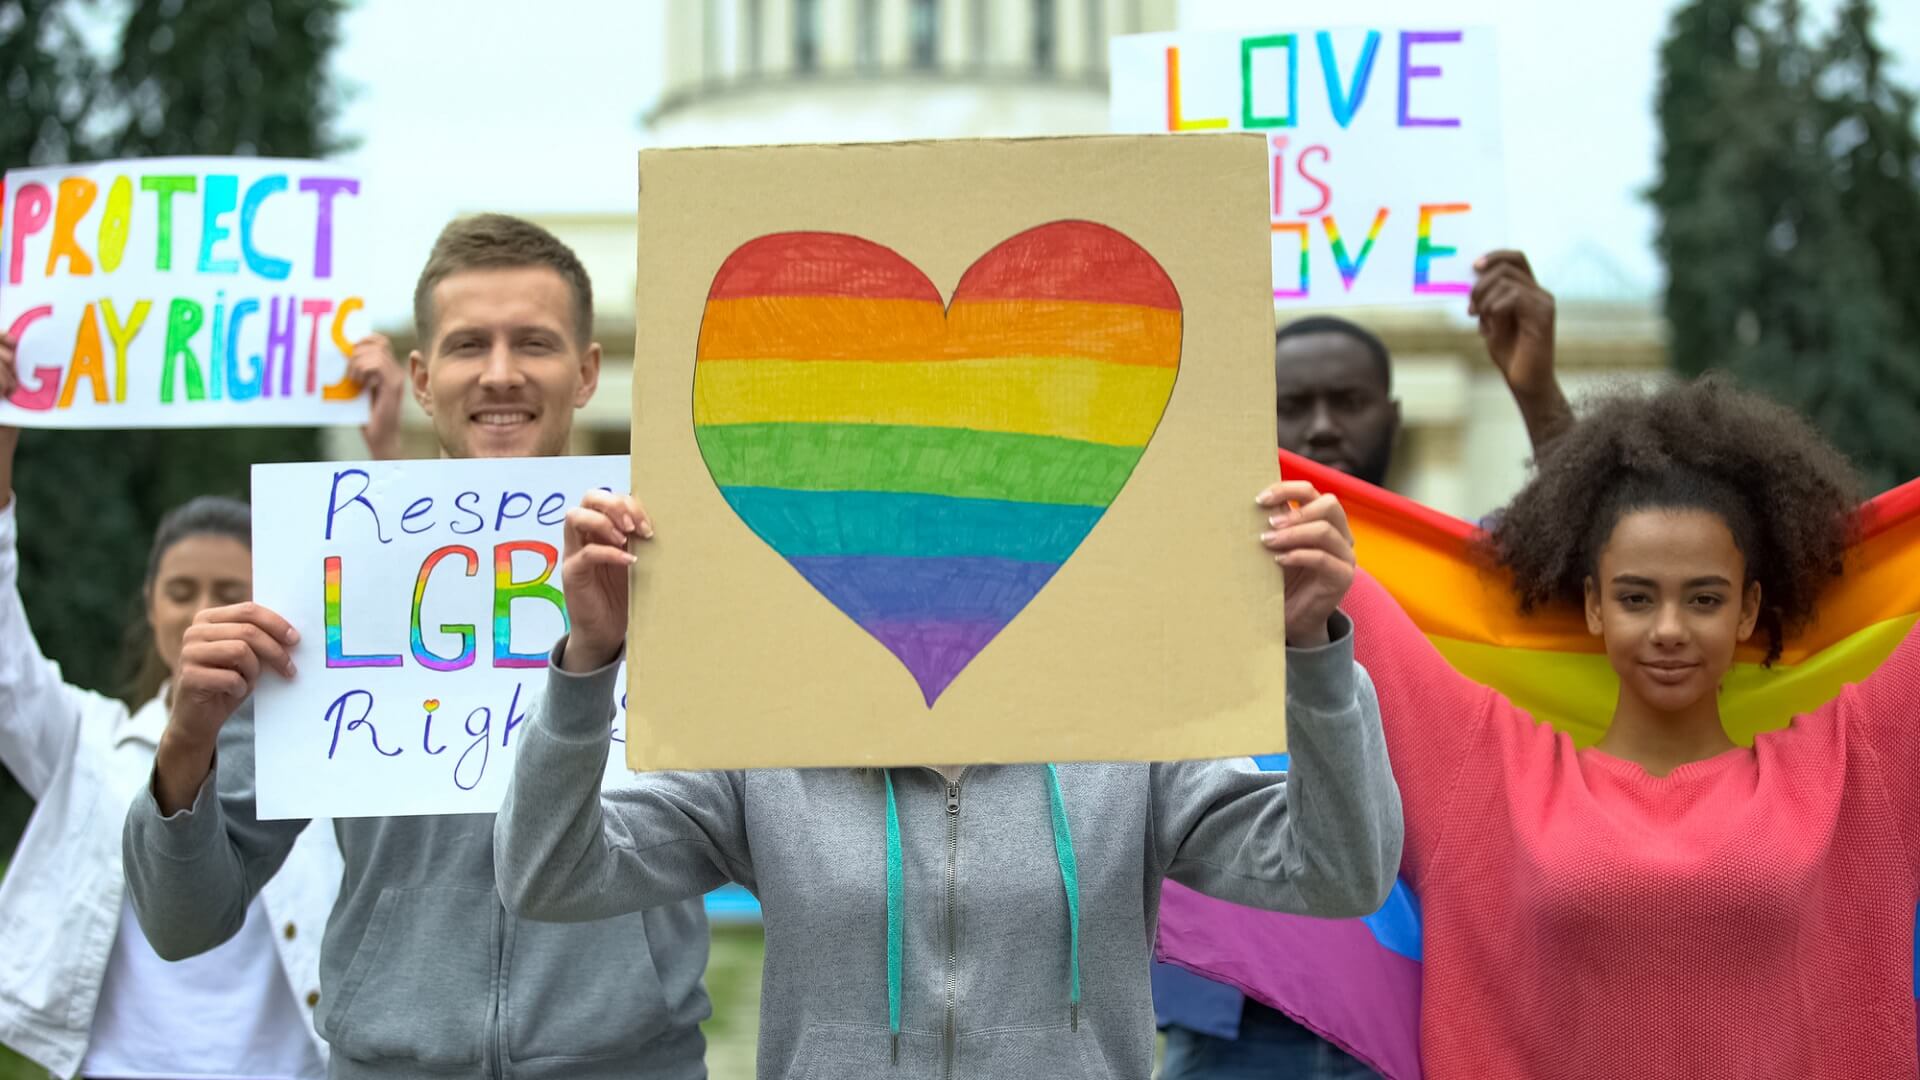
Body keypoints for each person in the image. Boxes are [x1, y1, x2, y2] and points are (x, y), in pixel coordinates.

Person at [481, 467, 1401, 1080]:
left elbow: (1339, 871)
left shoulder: (1127, 729)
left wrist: (1313, 655)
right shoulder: (769, 742)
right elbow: (548, 874)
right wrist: (588, 665)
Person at [120, 215, 713, 1080]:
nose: (502, 372)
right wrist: (185, 744)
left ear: (586, 372)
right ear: (424, 380)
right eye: (471, 344)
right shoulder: (328, 578)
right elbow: (182, 923)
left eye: (535, 343)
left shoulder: (680, 578)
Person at [1343, 374, 1920, 1077]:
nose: (1670, 629)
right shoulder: (1485, 767)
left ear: (1747, 610)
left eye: (1704, 599)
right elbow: (1341, 595)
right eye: (1637, 598)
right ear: (1594, 607)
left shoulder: (1855, 767)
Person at [1156, 249, 1573, 1079]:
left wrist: (1536, 395)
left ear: (1393, 413)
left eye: (1345, 402)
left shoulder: (1459, 583)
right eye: (1291, 405)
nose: (1318, 427)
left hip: (1409, 1005)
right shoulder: (1174, 570)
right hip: (1235, 1017)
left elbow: (1595, 554)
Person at [0, 328, 403, 1078]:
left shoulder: (332, 741)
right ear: (148, 604)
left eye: (232, 594)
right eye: (183, 593)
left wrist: (387, 456)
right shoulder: (86, 742)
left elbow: (403, 625)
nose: (205, 616)